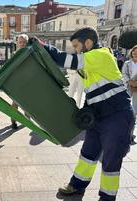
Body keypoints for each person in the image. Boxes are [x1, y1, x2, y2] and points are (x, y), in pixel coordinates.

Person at [35, 27, 134, 201]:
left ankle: (107, 198)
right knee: (88, 153)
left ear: (88, 43)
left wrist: (42, 45)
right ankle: (77, 186)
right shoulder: (90, 65)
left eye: (76, 46)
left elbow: (63, 59)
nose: (75, 50)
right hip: (100, 117)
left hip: (117, 116)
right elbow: (94, 93)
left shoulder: (101, 55)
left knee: (111, 162)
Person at [10, 34, 30, 129]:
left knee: (28, 103)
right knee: (15, 104)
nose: (22, 44)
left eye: (24, 42)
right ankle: (13, 121)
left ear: (27, 43)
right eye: (20, 42)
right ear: (17, 43)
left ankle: (27, 120)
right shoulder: (14, 55)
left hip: (28, 83)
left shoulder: (30, 53)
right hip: (17, 84)